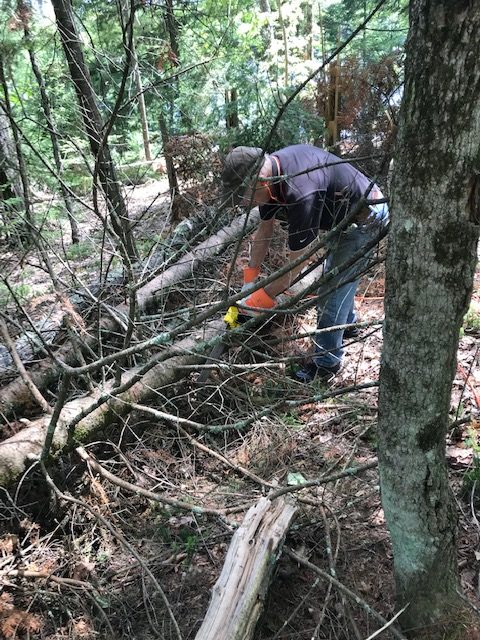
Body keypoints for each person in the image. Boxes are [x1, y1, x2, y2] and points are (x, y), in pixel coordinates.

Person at [221, 144, 389, 383]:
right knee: (339, 278)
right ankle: (348, 325)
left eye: (244, 195)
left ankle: (327, 364)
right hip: (343, 216)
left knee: (331, 289)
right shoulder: (273, 176)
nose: (244, 202)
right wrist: (250, 281)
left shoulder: (300, 190)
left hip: (366, 216)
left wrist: (257, 301)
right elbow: (264, 230)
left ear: (260, 181)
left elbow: (295, 266)